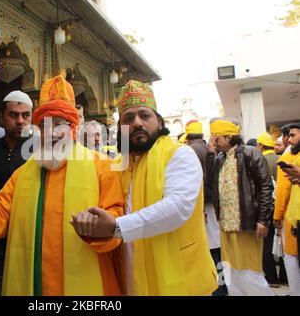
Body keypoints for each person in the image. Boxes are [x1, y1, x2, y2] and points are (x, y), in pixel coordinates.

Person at [0, 75, 124, 295]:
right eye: (46, 125)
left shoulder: (102, 167)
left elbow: (117, 218)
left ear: (73, 128)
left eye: (60, 125)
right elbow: (0, 213)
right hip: (34, 282)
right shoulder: (23, 174)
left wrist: (100, 226)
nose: (53, 133)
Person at [72, 80, 218, 296]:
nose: (137, 123)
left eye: (144, 115)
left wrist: (116, 227)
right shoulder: (120, 164)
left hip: (181, 282)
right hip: (133, 280)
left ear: (159, 121)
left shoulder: (180, 154)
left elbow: (177, 208)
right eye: (128, 118)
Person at [207, 117, 274, 296]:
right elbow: (208, 182)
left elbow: (265, 187)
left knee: (249, 272)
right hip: (226, 225)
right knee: (229, 272)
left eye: (217, 138)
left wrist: (263, 220)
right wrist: (209, 152)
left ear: (229, 137)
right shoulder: (220, 158)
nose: (215, 142)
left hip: (247, 225)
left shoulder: (251, 153)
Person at [0, 90, 33, 296]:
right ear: (2, 117)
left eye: (25, 115)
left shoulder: (40, 152)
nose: (20, 121)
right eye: (13, 115)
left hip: (27, 233)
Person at [185, 120, 225, 296]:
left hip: (202, 207)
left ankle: (216, 287)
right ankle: (223, 286)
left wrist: (199, 207)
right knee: (218, 248)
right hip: (212, 205)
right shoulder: (210, 149)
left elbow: (197, 181)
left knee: (208, 250)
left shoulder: (190, 151)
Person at [256, 131, 287, 287]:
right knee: (284, 242)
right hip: (285, 206)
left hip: (270, 206)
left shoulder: (261, 160)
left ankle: (272, 278)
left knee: (267, 243)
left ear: (260, 145)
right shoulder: (281, 158)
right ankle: (285, 277)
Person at [274, 122, 300, 295]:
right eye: (288, 136)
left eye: (292, 135)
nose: (289, 140)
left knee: (291, 257)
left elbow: (283, 191)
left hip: (293, 217)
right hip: (294, 214)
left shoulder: (289, 157)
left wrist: (277, 216)